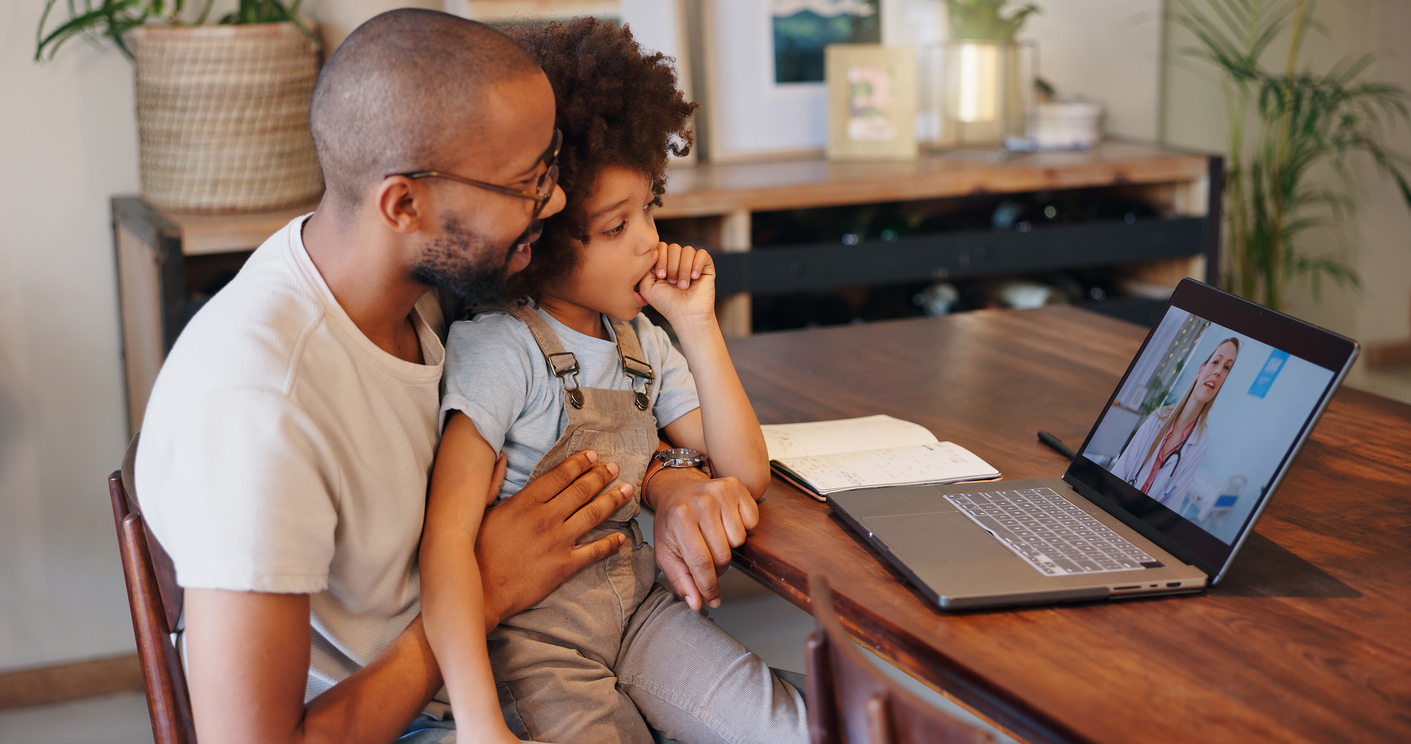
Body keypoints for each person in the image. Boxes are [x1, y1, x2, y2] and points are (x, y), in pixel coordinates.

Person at [133, 11, 728, 744]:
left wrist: (669, 473)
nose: (557, 200)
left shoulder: (430, 286)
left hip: (518, 661)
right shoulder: (258, 410)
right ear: (403, 204)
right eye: (526, 181)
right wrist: (486, 588)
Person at [421, 18, 808, 744]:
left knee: (795, 728)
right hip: (538, 648)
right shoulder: (498, 350)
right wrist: (480, 724)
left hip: (640, 616)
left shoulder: (642, 340)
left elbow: (744, 470)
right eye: (614, 227)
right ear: (537, 244)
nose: (649, 243)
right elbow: (445, 545)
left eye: (649, 211)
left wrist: (697, 324)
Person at [1110, 337, 1241, 506]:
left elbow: (1173, 502)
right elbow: (1119, 472)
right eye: (1216, 362)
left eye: (1226, 368)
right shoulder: (1158, 418)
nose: (1218, 372)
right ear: (1200, 371)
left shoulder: (1201, 442)